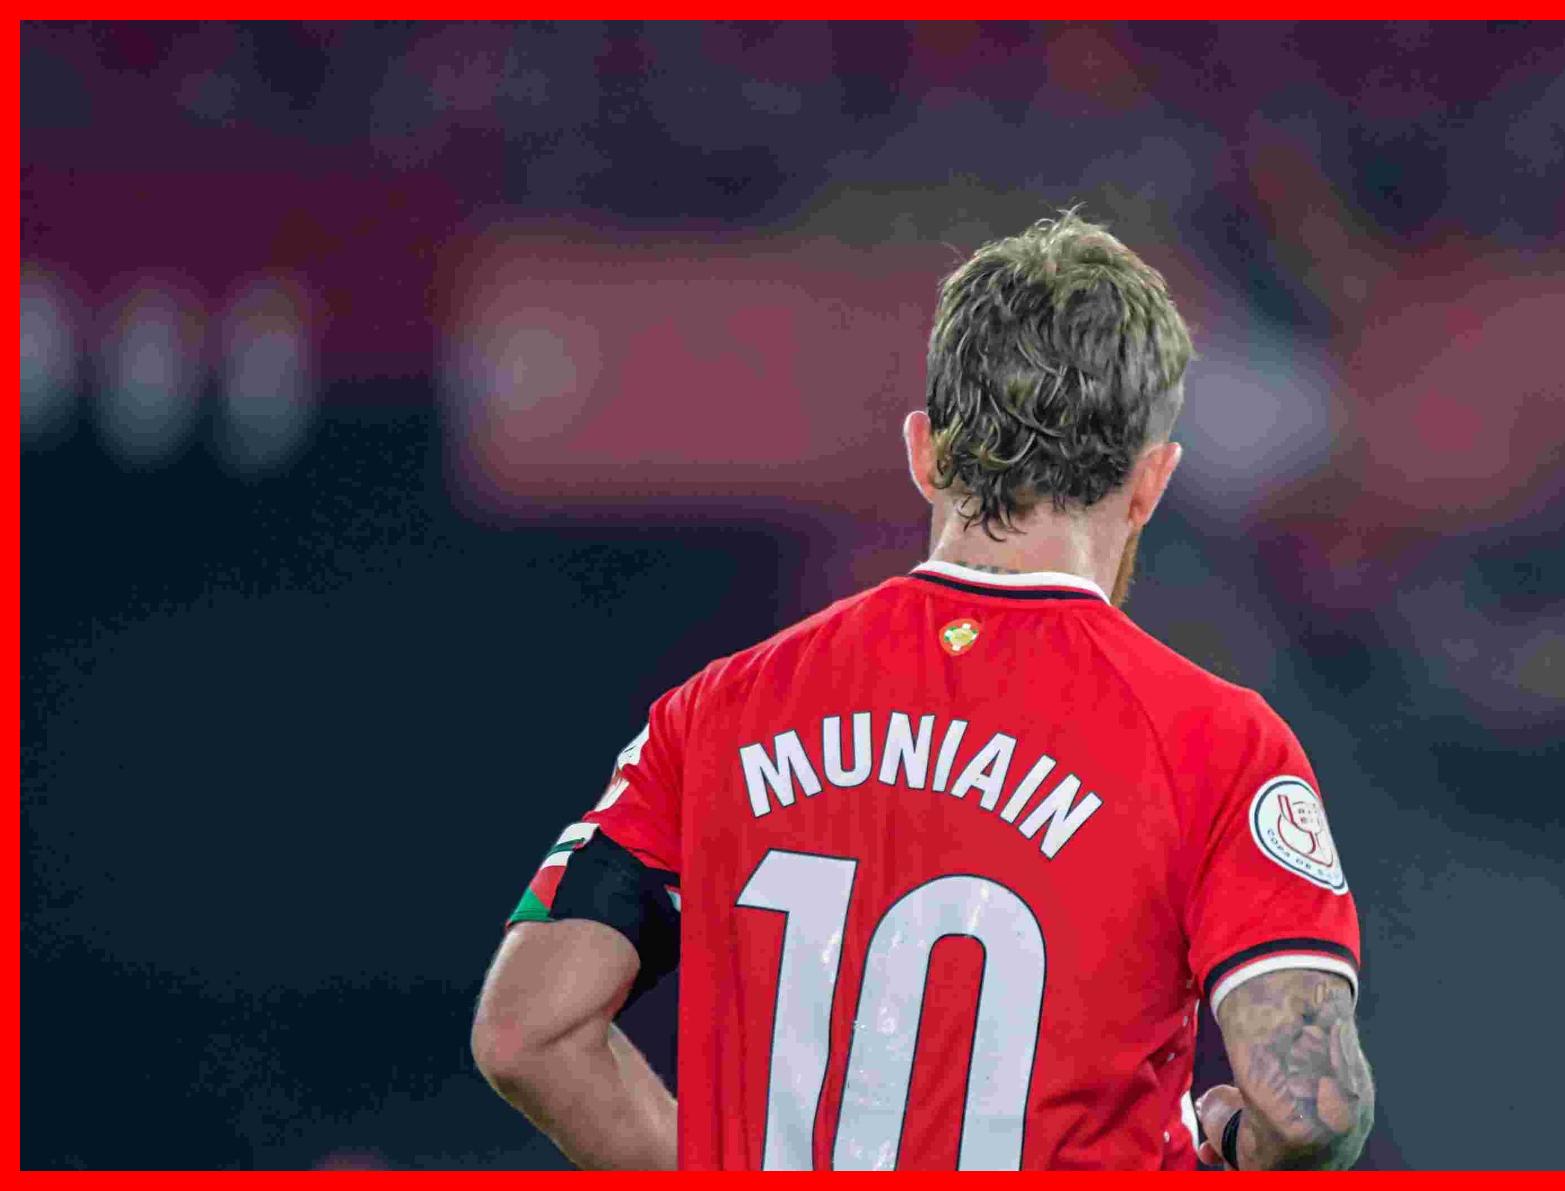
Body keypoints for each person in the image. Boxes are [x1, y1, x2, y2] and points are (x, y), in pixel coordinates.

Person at [469, 211, 1374, 1170]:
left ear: (925, 451)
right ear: (1151, 481)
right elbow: (1311, 1110)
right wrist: (1228, 1138)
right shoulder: (1217, 744)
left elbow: (528, 1033)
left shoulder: (718, 712)